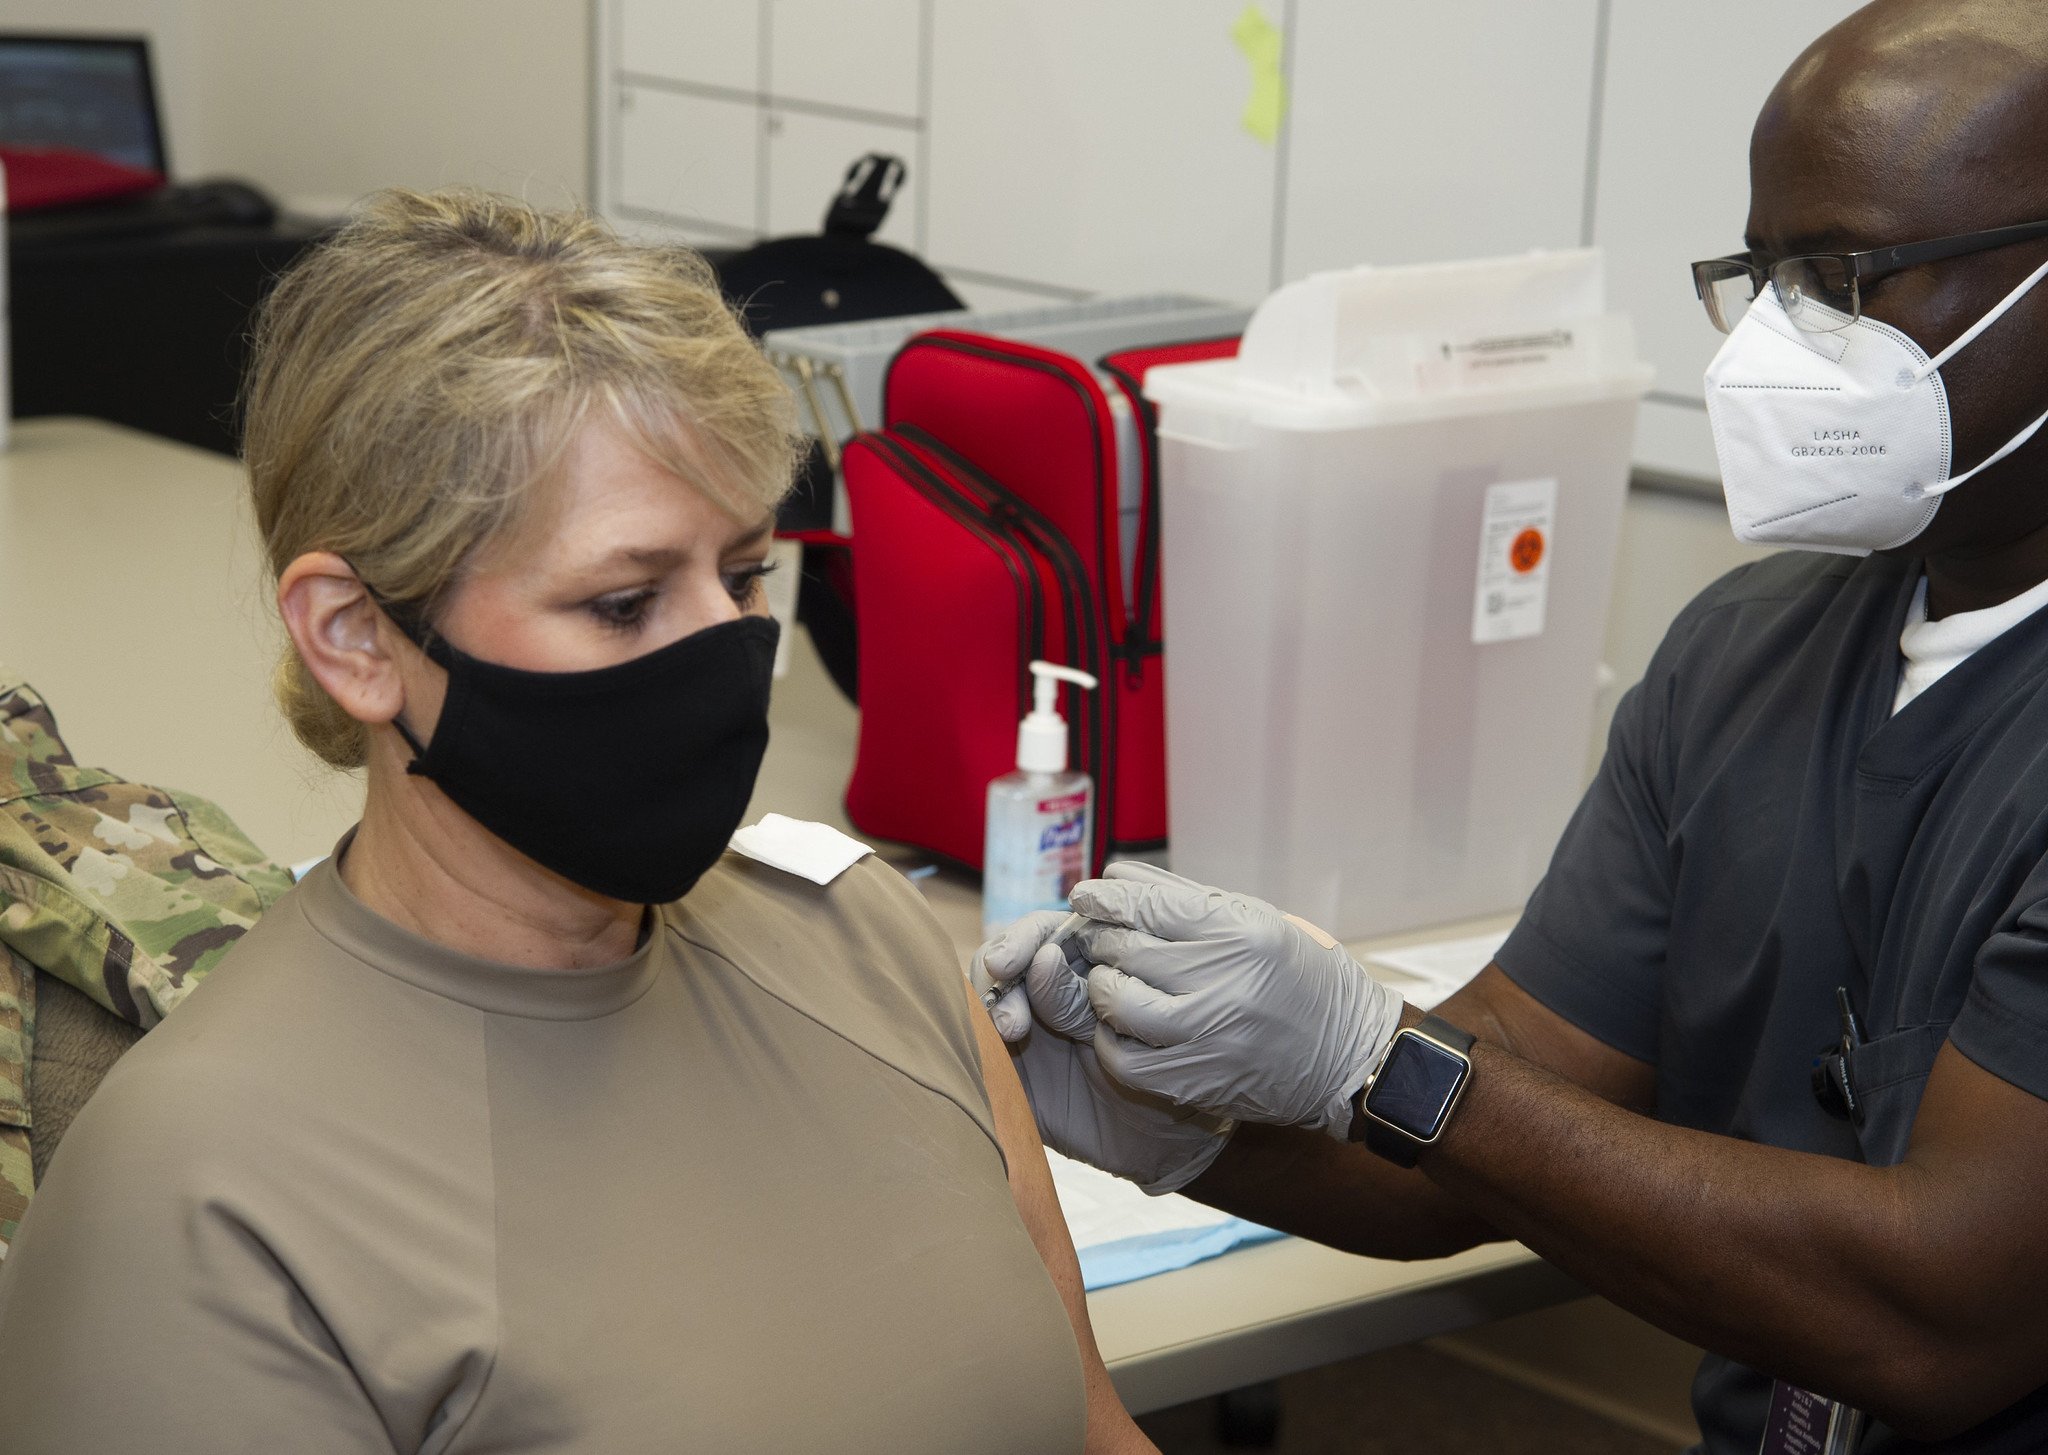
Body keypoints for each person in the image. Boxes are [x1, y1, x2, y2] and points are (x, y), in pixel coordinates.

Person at [982, 3, 2048, 1451]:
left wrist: (1379, 1058)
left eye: (1845, 276)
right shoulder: (1748, 654)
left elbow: (1946, 1313)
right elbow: (1466, 1144)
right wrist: (1178, 1112)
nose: (1780, 347)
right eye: (1765, 277)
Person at [0, 188, 1156, 1455]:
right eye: (623, 602)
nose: (729, 652)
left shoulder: (860, 941)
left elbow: (1090, 1432)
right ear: (356, 637)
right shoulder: (199, 1196)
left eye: (745, 573)